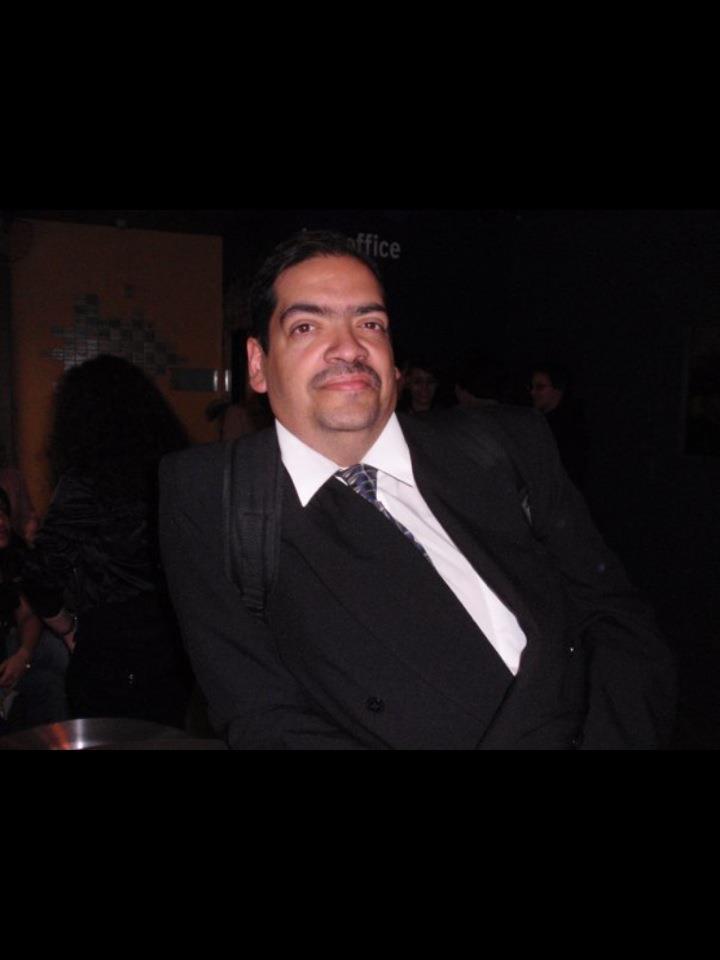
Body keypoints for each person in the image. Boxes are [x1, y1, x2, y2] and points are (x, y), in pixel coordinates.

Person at [159, 231, 675, 750]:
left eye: (370, 323)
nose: (349, 347)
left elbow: (616, 618)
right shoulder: (215, 496)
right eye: (307, 326)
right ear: (257, 363)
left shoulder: (505, 444)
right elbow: (262, 715)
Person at [22, 355, 193, 728]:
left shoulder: (88, 482)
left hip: (112, 645)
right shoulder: (179, 469)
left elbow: (40, 573)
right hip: (175, 640)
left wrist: (65, 626)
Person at [529, 362, 588, 490]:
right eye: (532, 387)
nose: (533, 392)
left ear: (557, 390)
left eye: (540, 387)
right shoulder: (537, 421)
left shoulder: (569, 427)